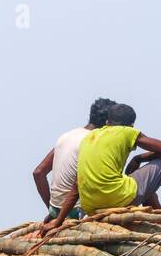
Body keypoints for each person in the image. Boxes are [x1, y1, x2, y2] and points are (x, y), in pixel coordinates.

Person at [73, 103, 161, 220]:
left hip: (91, 205)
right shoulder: (126, 132)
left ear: (107, 122)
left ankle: (159, 217)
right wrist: (139, 158)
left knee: (141, 181)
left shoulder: (90, 137)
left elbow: (75, 186)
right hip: (114, 198)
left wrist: (59, 220)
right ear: (131, 126)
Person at [33, 97, 115, 235]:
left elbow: (38, 172)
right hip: (77, 211)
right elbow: (79, 184)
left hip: (57, 210)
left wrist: (53, 210)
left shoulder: (66, 136)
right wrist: (60, 219)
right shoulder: (94, 140)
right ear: (108, 123)